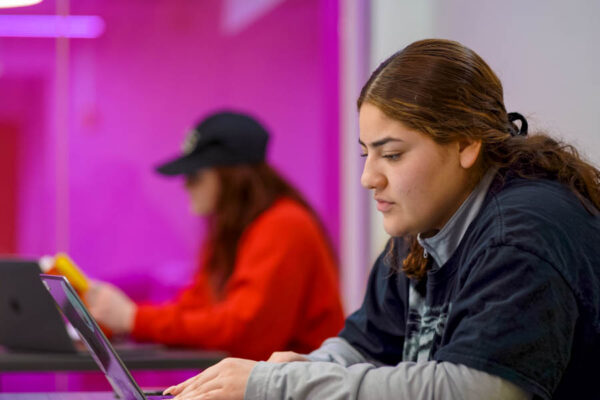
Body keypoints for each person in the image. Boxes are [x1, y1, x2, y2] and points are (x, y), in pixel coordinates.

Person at [162, 39, 600, 400]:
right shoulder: (419, 230)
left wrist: (281, 385)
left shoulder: (522, 230)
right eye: (365, 153)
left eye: (392, 155)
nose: (368, 177)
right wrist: (310, 369)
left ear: (467, 145)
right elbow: (364, 347)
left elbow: (480, 390)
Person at [85, 111, 345, 360]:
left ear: (232, 177)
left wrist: (133, 319)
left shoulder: (285, 224)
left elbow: (243, 331)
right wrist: (120, 320)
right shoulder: (232, 231)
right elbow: (196, 307)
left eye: (195, 175)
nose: (185, 185)